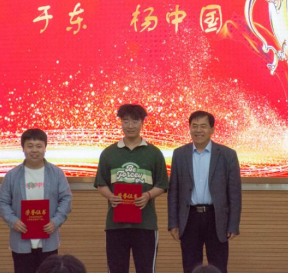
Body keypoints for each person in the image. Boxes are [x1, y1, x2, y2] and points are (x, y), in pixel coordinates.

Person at [94, 104, 169, 273]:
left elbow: (162, 184)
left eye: (135, 121)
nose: (130, 126)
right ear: (120, 122)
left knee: (146, 269)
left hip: (146, 224)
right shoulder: (108, 153)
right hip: (115, 225)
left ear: (142, 122)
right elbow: (101, 183)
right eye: (125, 121)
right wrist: (110, 196)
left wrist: (148, 195)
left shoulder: (154, 153)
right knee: (116, 269)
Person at [168, 111, 242, 273]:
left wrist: (233, 224)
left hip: (216, 217)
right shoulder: (179, 154)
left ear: (212, 129)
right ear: (189, 128)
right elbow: (174, 191)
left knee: (219, 266)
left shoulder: (227, 155)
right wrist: (173, 223)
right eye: (194, 126)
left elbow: (234, 193)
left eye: (203, 126)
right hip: (189, 217)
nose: (198, 130)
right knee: (190, 266)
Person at [0, 128, 73, 273]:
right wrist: (13, 221)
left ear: (45, 148)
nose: (34, 150)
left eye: (39, 146)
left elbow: (66, 198)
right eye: (30, 146)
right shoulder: (12, 175)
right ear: (23, 148)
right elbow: (3, 202)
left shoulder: (56, 173)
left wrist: (55, 221)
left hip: (48, 239)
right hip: (21, 240)